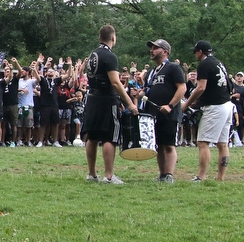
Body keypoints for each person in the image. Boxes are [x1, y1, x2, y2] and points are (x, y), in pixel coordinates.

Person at [82, 25, 138, 184]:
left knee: (92, 136)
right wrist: (129, 103)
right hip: (107, 99)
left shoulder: (92, 55)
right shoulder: (109, 56)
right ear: (113, 38)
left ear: (100, 37)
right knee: (109, 137)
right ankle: (108, 176)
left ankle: (92, 174)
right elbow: (115, 82)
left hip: (92, 98)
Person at [182, 40, 234, 181]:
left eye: (195, 52)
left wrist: (187, 104)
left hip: (215, 106)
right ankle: (220, 177)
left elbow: (201, 87)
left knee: (203, 142)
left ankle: (201, 176)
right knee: (222, 144)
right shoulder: (218, 63)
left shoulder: (204, 64)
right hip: (227, 105)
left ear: (200, 52)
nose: (195, 55)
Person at [144, 39, 186, 183]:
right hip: (154, 114)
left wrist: (170, 105)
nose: (152, 50)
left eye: (156, 48)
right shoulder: (152, 72)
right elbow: (148, 90)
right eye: (152, 48)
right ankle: (162, 174)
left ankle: (169, 174)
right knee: (159, 145)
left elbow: (182, 88)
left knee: (168, 144)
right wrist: (140, 93)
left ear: (165, 52)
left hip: (169, 113)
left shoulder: (173, 68)